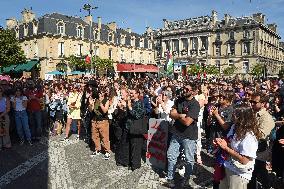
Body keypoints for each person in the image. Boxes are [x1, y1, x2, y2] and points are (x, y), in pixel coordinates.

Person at [160, 83, 200, 188]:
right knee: (171, 156)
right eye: (184, 88)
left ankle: (186, 181)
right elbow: (171, 113)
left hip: (189, 136)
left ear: (193, 91)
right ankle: (170, 179)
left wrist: (176, 116)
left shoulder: (195, 104)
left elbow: (187, 122)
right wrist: (179, 115)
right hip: (176, 133)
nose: (184, 90)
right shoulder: (178, 100)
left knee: (189, 159)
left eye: (187, 88)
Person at [215, 103, 262, 189]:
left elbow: (244, 160)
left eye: (236, 115)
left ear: (243, 117)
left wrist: (226, 148)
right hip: (228, 166)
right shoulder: (234, 126)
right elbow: (230, 141)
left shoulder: (249, 136)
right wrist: (221, 142)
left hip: (239, 173)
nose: (233, 116)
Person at [248, 92, 275, 189]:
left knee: (255, 172)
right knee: (257, 172)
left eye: (254, 102)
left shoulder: (267, 118)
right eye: (251, 101)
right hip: (251, 149)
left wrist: (247, 127)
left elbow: (261, 135)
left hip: (259, 151)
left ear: (263, 103)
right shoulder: (252, 112)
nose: (251, 104)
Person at [127, 88, 146, 171]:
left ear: (138, 94)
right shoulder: (132, 102)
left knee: (136, 147)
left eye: (133, 93)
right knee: (132, 146)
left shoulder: (140, 103)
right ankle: (132, 162)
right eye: (130, 93)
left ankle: (135, 164)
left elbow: (138, 115)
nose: (131, 95)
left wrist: (130, 108)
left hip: (137, 129)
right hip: (131, 128)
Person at [89, 89, 111, 160]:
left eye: (102, 93)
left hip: (103, 121)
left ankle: (107, 152)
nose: (100, 94)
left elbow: (105, 111)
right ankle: (97, 149)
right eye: (99, 93)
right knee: (95, 136)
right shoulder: (95, 100)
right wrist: (91, 104)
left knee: (104, 137)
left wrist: (100, 103)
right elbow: (91, 110)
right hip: (95, 121)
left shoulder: (106, 100)